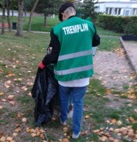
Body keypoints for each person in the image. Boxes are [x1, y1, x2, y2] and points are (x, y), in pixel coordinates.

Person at [38, 1, 98, 139]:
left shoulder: (58, 29)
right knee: (78, 103)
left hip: (64, 76)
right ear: (74, 11)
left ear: (63, 14)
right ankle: (76, 132)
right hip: (83, 75)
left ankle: (63, 119)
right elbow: (96, 41)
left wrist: (43, 63)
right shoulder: (89, 25)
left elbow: (54, 55)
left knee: (64, 99)